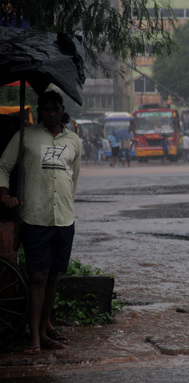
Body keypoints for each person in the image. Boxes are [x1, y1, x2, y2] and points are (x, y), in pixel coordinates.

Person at [0, 90, 82, 355]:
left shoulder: (74, 141)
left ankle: (46, 332)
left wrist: (68, 204)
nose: (49, 114)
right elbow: (3, 166)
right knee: (37, 276)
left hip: (64, 218)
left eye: (54, 109)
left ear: (61, 111)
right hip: (35, 216)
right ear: (40, 111)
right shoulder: (26, 136)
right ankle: (33, 336)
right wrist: (5, 194)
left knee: (53, 276)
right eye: (44, 110)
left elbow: (74, 178)